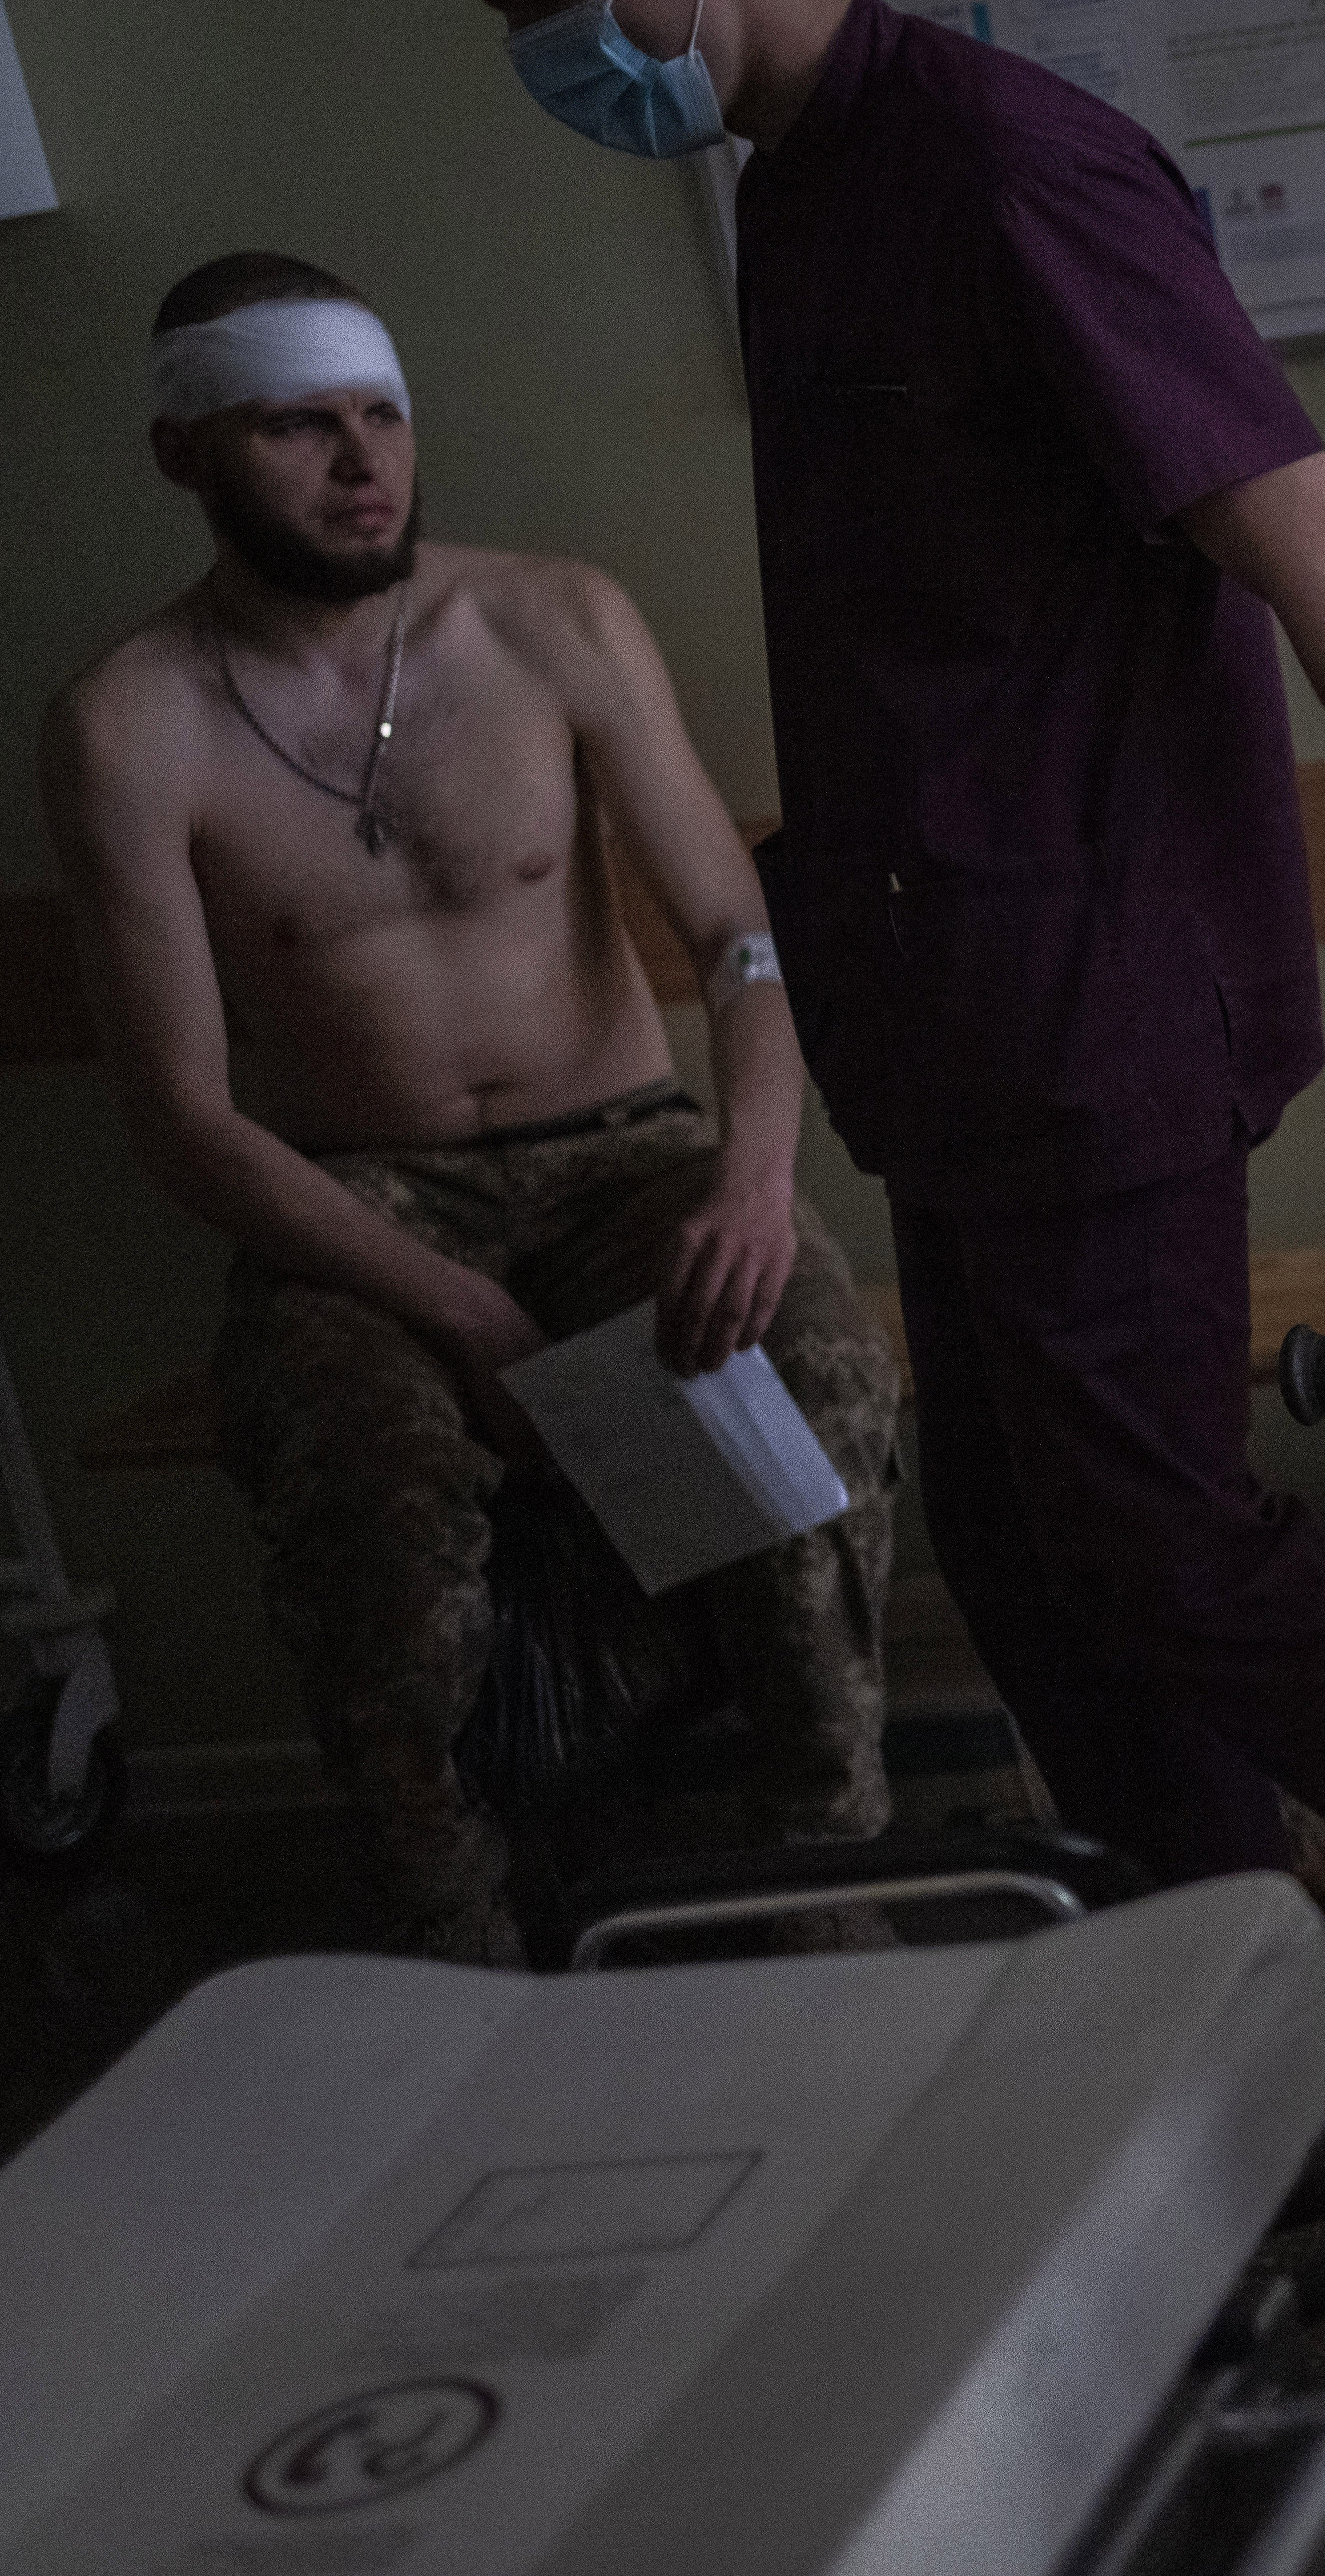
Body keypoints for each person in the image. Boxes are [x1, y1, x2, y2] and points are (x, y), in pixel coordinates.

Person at [473, 0, 1325, 2224]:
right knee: (1026, 1535)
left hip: (1098, 991)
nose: (553, 40)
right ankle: (1252, 2017)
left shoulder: (1016, 167)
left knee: (1159, 1527)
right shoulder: (795, 189)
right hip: (956, 1002)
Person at [41, 253, 896, 1965]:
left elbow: (737, 940)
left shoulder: (552, 623)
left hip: (631, 1158)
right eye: (299, 426)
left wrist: (752, 1173)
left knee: (799, 1394)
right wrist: (470, 1325)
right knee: (379, 1534)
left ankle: (828, 1883)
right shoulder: (124, 727)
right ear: (184, 454)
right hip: (356, 1208)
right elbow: (188, 1126)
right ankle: (465, 1957)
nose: (363, 461)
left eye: (383, 416)